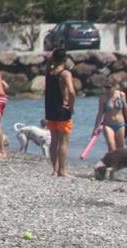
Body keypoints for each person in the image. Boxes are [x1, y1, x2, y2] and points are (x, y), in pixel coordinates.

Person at [45, 48, 76, 177]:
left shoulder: (49, 72)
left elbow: (48, 63)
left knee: (54, 141)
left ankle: (54, 169)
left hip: (50, 110)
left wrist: (50, 59)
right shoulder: (65, 73)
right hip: (62, 110)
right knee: (64, 141)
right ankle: (62, 171)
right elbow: (72, 91)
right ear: (65, 59)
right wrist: (71, 106)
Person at [93, 78, 127, 153]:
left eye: (109, 87)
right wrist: (96, 127)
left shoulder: (121, 95)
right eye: (105, 87)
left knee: (120, 148)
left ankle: (118, 164)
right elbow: (100, 113)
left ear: (115, 86)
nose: (107, 89)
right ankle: (111, 163)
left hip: (120, 125)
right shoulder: (103, 98)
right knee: (111, 145)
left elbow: (126, 110)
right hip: (108, 125)